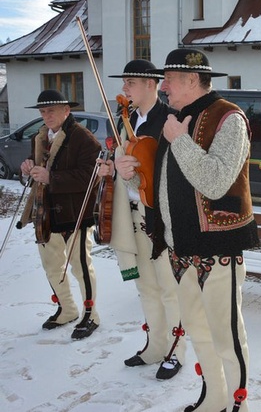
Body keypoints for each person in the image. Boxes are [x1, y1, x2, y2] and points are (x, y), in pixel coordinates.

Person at [151, 48, 259, 412]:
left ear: (192, 80)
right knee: (199, 332)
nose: (162, 87)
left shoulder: (230, 117)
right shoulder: (176, 117)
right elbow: (168, 183)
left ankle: (238, 405)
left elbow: (214, 181)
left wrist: (179, 140)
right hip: (180, 247)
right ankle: (214, 397)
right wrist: (133, 172)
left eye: (168, 79)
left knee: (227, 336)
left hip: (218, 249)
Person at [97, 59, 185, 379]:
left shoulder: (168, 120)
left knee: (168, 287)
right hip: (133, 215)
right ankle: (155, 346)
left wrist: (135, 173)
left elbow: (172, 172)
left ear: (151, 85)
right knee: (146, 287)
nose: (124, 89)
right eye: (124, 84)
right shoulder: (128, 120)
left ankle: (177, 350)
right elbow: (124, 164)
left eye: (130, 83)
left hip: (160, 217)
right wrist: (113, 169)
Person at [17, 89, 102, 340]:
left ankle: (91, 314)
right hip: (45, 211)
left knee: (80, 266)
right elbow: (37, 169)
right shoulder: (40, 137)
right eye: (43, 111)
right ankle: (67, 309)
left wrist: (51, 178)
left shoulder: (84, 138)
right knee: (52, 265)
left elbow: (92, 177)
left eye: (51, 110)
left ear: (67, 110)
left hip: (75, 212)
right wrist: (28, 169)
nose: (47, 115)